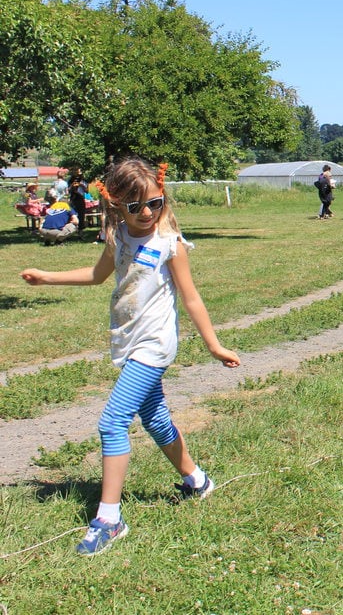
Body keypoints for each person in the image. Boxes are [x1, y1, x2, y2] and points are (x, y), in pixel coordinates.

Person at [20, 157, 240, 555]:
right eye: (135, 206)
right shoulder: (118, 237)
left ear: (163, 198)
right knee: (155, 420)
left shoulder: (169, 244)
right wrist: (47, 277)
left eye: (154, 204)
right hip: (127, 339)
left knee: (112, 422)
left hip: (154, 345)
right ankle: (198, 480)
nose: (146, 213)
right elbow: (97, 275)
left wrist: (214, 345)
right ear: (116, 203)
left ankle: (109, 518)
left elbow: (191, 297)